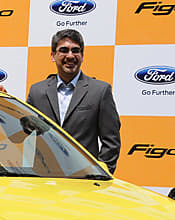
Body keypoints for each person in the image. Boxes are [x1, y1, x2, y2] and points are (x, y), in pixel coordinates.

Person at [26, 29, 121, 173]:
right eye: (64, 50)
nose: (70, 56)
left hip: (84, 179)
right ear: (53, 56)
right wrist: (2, 99)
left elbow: (111, 141)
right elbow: (23, 130)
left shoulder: (100, 91)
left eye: (75, 51)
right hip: (43, 177)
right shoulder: (37, 91)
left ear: (82, 56)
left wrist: (100, 174)